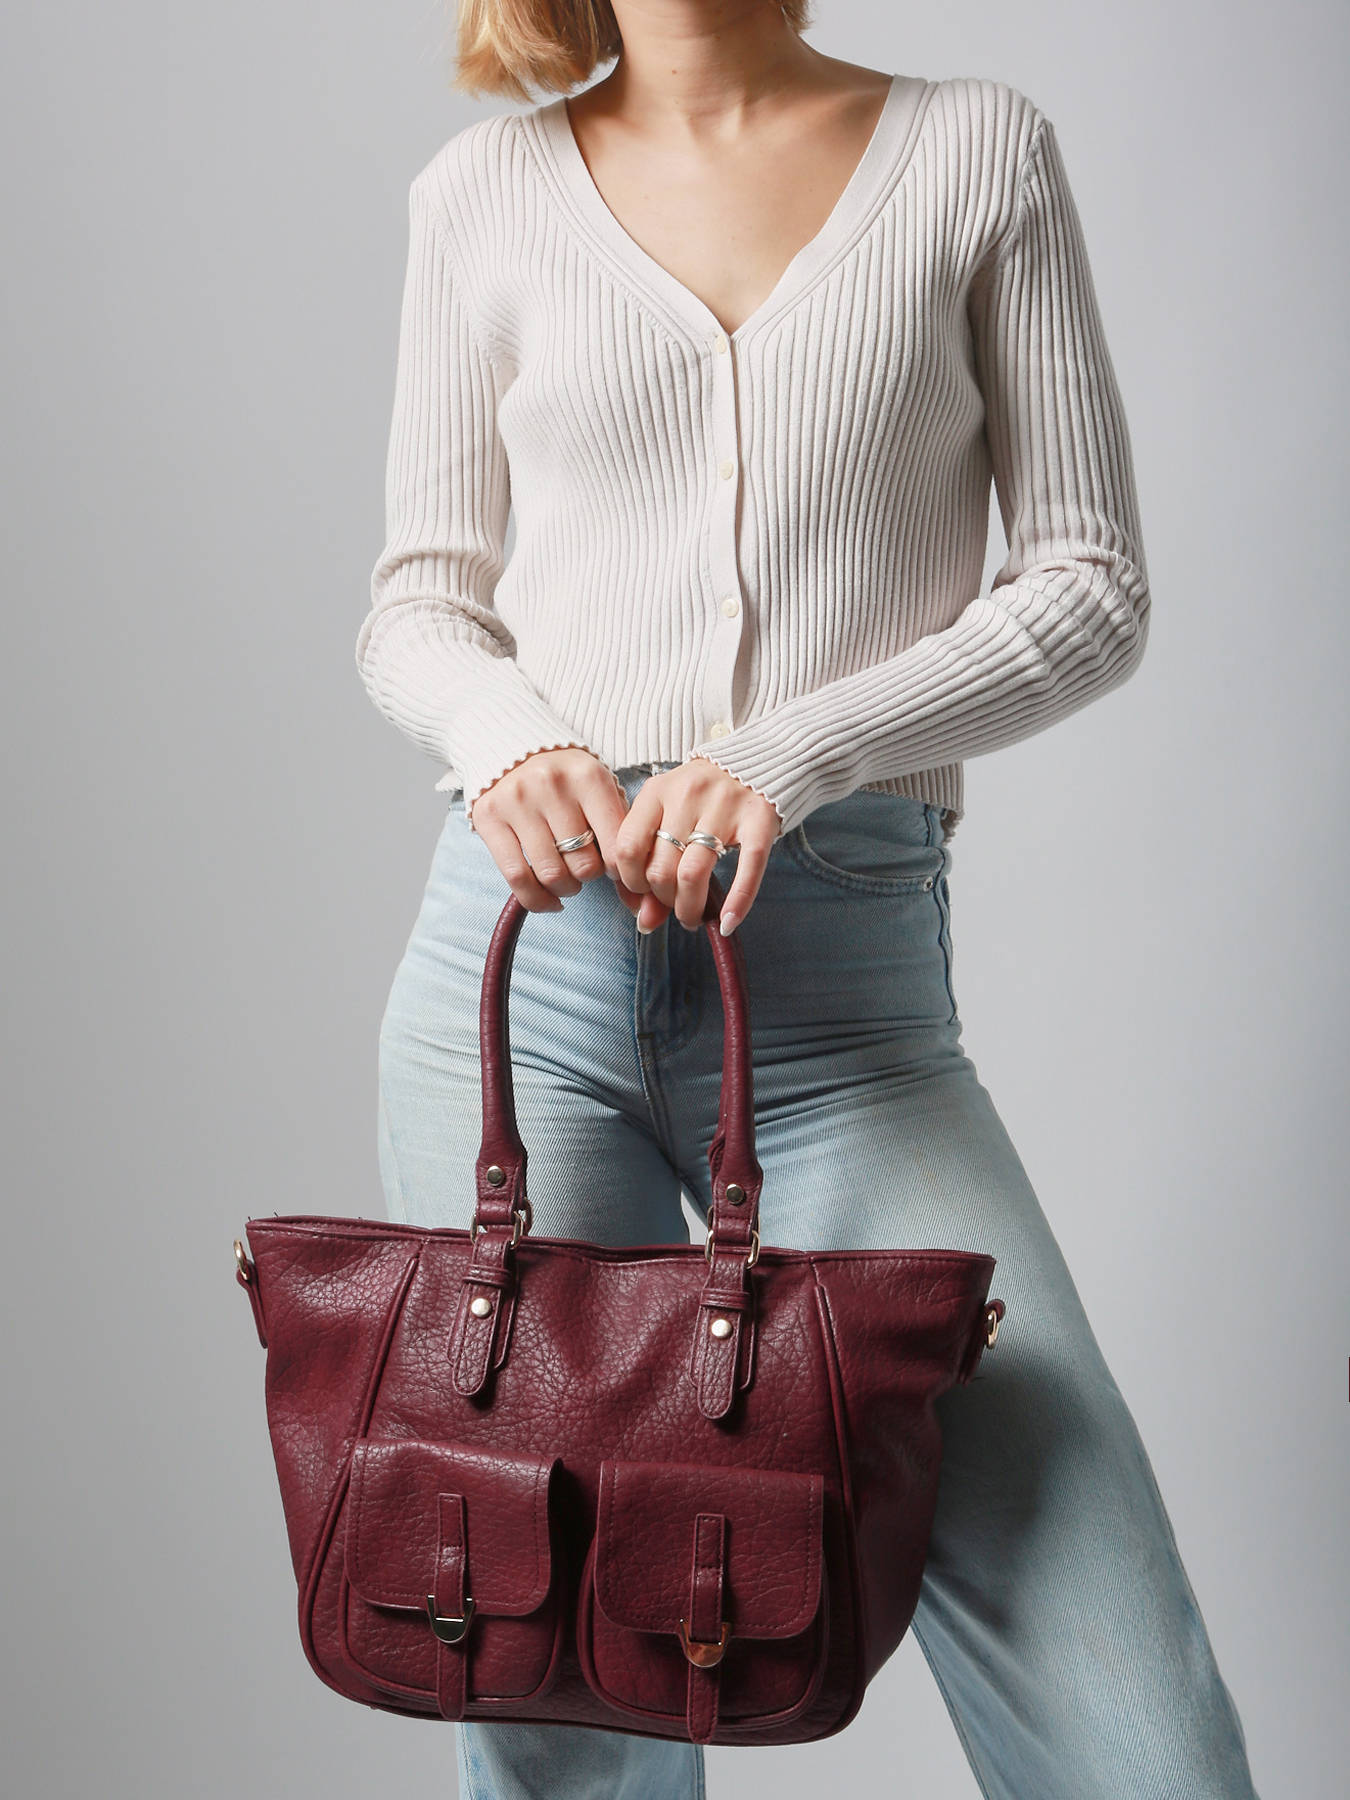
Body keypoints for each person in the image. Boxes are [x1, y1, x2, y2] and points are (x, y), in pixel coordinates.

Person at [359, 4, 1261, 1796]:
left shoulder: (974, 150)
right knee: (554, 1690)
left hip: (839, 1021)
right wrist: (510, 739)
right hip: (518, 993)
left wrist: (793, 751)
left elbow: (1088, 583)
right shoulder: (482, 190)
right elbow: (419, 603)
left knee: (1120, 1699)